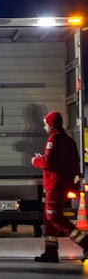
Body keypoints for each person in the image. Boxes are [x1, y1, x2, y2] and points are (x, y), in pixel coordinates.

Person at [30, 111, 88, 262]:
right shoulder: (68, 140)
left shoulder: (53, 140)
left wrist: (36, 160)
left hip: (54, 187)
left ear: (51, 124)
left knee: (54, 217)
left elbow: (48, 162)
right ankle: (51, 252)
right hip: (61, 185)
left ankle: (85, 243)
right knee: (49, 221)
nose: (44, 127)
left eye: (45, 124)